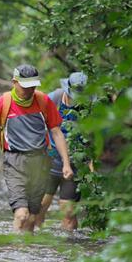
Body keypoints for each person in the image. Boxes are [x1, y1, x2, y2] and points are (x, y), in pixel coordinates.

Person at [0, 64, 73, 233]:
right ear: (14, 82)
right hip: (14, 161)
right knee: (21, 214)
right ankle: (15, 250)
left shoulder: (44, 101)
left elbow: (57, 132)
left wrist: (66, 163)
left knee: (32, 217)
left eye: (32, 86)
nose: (29, 90)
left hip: (40, 163)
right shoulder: (2, 103)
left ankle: (26, 252)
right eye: (25, 86)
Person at [37, 72, 89, 231]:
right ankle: (33, 246)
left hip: (75, 165)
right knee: (38, 210)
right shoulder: (54, 99)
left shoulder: (90, 107)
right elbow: (36, 122)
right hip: (50, 161)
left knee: (68, 213)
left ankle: (70, 249)